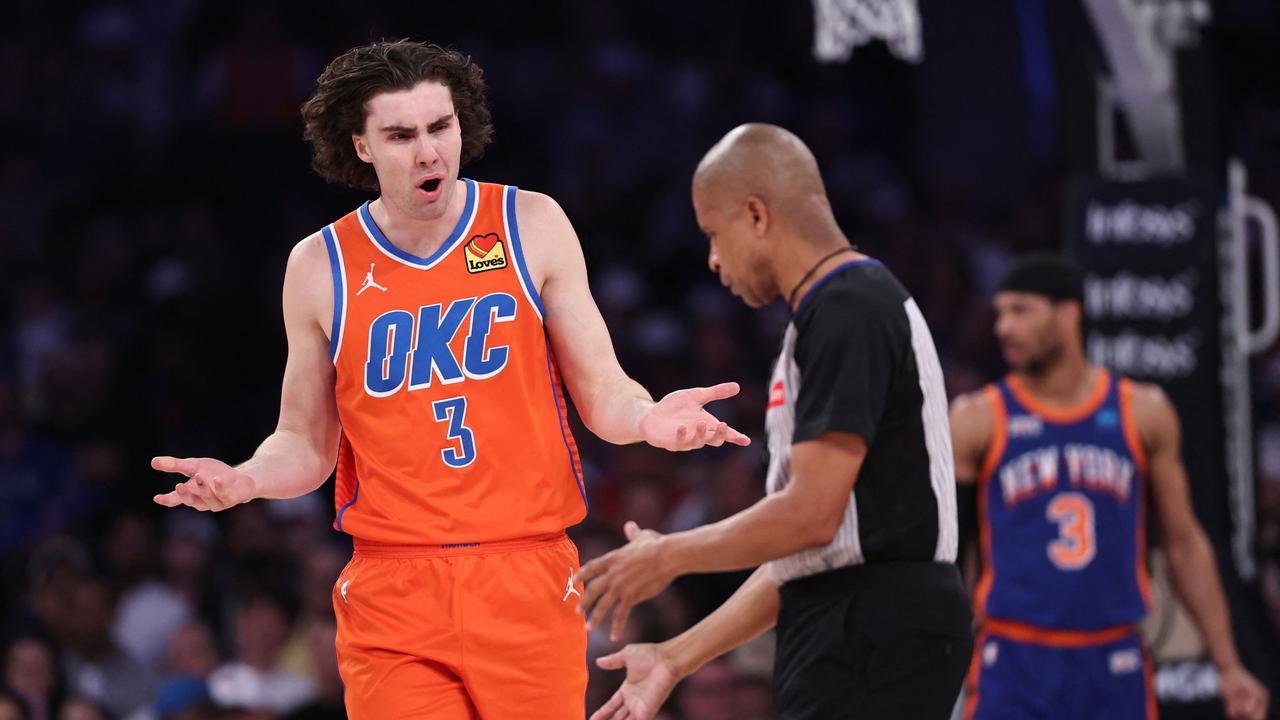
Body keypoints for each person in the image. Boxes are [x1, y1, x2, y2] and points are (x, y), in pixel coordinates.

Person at [149, 40, 748, 719]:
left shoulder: (532, 224)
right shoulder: (320, 265)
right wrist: (248, 479)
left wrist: (648, 419)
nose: (428, 151)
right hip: (392, 583)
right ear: (363, 147)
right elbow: (307, 444)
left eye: (441, 127)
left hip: (525, 569)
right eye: (400, 135)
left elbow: (604, 392)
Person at [576, 123, 972, 720]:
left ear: (757, 216)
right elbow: (809, 549)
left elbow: (809, 518)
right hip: (854, 620)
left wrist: (670, 555)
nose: (712, 258)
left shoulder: (849, 307)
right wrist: (675, 657)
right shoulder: (830, 313)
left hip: (875, 626)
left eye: (714, 232)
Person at [950, 253, 1269, 719]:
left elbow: (1183, 543)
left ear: (1068, 313)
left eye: (1020, 311)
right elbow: (953, 551)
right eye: (1000, 313)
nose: (1003, 327)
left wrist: (1228, 664)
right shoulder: (978, 419)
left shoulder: (1141, 412)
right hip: (1014, 655)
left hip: (1113, 657)